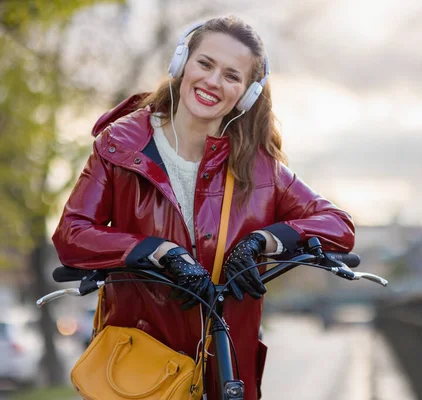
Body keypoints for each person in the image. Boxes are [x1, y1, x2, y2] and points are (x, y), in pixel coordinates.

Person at [52, 15, 354, 400]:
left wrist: (264, 241)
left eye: (232, 76)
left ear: (246, 93)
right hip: (136, 367)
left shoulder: (260, 169)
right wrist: (156, 251)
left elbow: (338, 225)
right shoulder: (119, 146)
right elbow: (72, 234)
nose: (213, 82)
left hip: (225, 367)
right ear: (182, 65)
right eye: (205, 64)